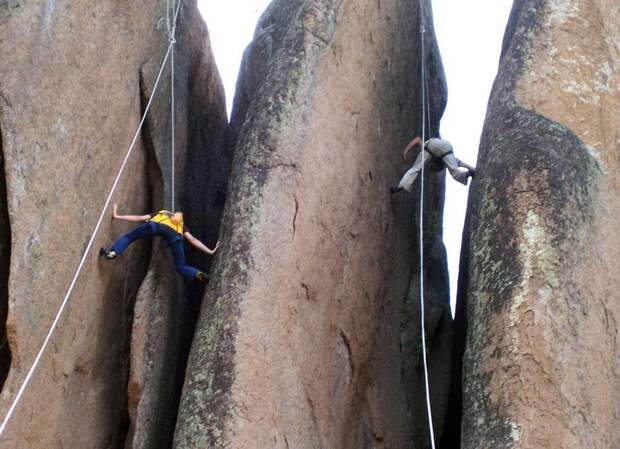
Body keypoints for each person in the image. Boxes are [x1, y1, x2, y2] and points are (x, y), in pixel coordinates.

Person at [100, 204, 218, 283]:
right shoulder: (181, 227)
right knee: (181, 266)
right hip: (174, 236)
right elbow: (192, 240)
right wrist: (210, 251)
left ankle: (113, 252)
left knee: (130, 237)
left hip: (155, 225)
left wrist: (117, 216)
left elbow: (138, 218)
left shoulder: (160, 214)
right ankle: (198, 273)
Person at [391, 136, 476, 194]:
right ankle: (468, 174)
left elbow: (417, 139)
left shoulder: (430, 152)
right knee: (453, 170)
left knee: (415, 168)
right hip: (446, 146)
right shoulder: (443, 159)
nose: (432, 166)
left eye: (433, 167)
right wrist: (468, 166)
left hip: (436, 145)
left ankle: (400, 187)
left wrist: (405, 151)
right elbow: (458, 162)